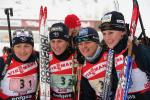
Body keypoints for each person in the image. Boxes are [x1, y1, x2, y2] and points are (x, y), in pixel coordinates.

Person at [99, 11, 150, 100]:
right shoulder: (112, 54)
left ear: (122, 32)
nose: (107, 38)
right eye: (104, 33)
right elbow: (116, 87)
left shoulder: (138, 50)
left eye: (111, 32)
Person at [0, 29, 39, 100]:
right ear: (13, 48)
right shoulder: (3, 62)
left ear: (32, 47)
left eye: (27, 46)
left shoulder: (38, 60)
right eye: (18, 46)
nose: (22, 51)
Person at [75, 27, 108, 100]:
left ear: (96, 42)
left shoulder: (110, 55)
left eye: (87, 42)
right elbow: (88, 96)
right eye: (80, 44)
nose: (83, 46)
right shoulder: (83, 68)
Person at [49, 22, 79, 100]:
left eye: (59, 41)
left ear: (67, 41)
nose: (56, 46)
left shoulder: (78, 56)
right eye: (53, 41)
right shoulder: (46, 58)